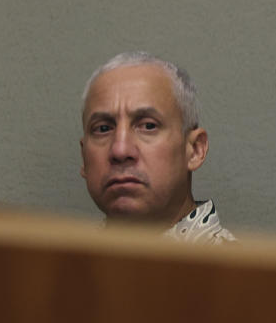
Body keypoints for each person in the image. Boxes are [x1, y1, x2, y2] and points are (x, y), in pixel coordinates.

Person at [80, 52, 236, 243]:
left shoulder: (234, 271)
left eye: (148, 126)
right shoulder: (58, 266)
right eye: (103, 129)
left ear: (195, 150)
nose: (120, 150)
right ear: (83, 158)